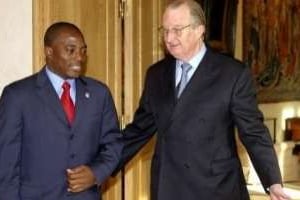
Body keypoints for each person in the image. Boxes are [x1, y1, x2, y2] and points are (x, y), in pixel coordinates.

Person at [117, 1, 290, 200]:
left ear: (200, 30)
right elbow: (138, 131)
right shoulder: (156, 75)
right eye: (165, 31)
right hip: (169, 189)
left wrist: (273, 182)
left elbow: (253, 132)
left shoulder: (232, 74)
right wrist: (98, 168)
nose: (169, 38)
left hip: (216, 189)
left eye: (177, 30)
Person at [0, 22, 123, 199]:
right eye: (70, 50)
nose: (79, 57)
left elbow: (113, 144)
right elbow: (6, 165)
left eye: (82, 51)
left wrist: (96, 173)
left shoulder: (99, 94)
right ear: (49, 52)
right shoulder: (18, 96)